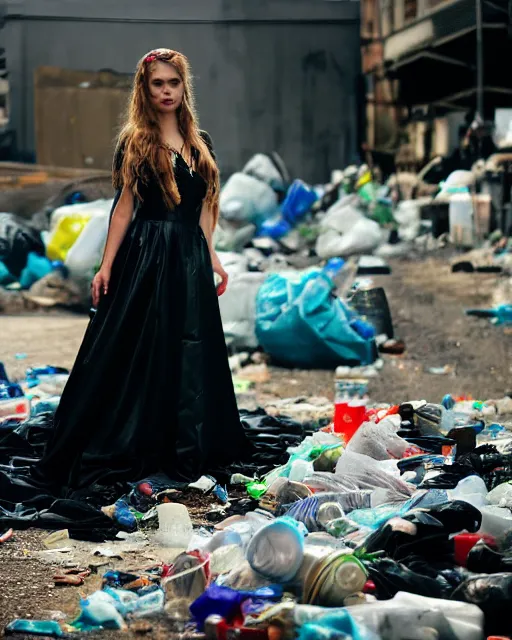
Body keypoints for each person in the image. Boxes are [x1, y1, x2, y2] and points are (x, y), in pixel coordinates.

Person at [31, 48, 249, 492]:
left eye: (173, 83)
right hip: (147, 255)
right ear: (144, 90)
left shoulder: (200, 140)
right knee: (135, 350)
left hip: (188, 257)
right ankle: (136, 439)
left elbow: (205, 206)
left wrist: (213, 257)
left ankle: (184, 441)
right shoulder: (135, 140)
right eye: (157, 84)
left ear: (184, 87)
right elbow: (124, 207)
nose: (166, 91)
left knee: (187, 351)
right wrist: (106, 265)